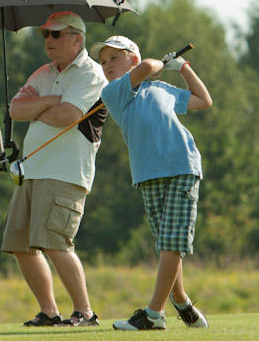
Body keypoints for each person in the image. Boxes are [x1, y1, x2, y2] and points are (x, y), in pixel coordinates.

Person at [89, 35, 213, 331]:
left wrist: (182, 68)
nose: (106, 66)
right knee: (167, 245)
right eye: (103, 61)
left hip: (182, 165)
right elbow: (146, 66)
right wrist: (158, 65)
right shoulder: (113, 93)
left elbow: (203, 100)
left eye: (113, 58)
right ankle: (181, 300)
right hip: (147, 174)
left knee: (171, 243)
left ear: (130, 58)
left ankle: (154, 314)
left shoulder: (161, 89)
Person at [1, 11, 107, 327]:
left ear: (78, 38)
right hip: (31, 171)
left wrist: (39, 108)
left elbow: (69, 115)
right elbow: (15, 109)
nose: (49, 40)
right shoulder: (44, 73)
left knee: (55, 242)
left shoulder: (91, 73)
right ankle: (49, 312)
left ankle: (85, 313)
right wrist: (50, 101)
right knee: (20, 245)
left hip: (65, 172)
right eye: (45, 35)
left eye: (56, 34)